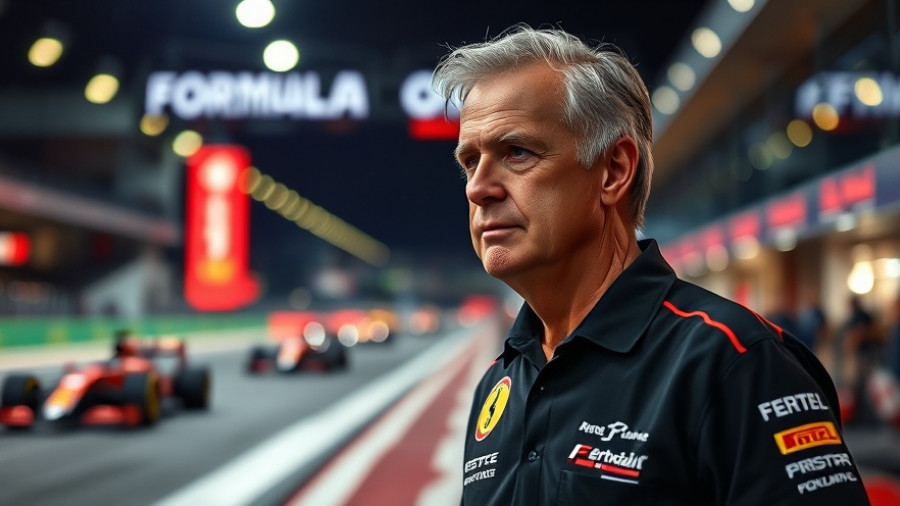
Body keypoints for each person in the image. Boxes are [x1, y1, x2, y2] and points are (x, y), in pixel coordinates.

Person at [433, 25, 870, 505]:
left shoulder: (733, 363)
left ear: (614, 171)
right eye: (470, 161)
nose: (478, 188)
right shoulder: (499, 383)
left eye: (516, 152)